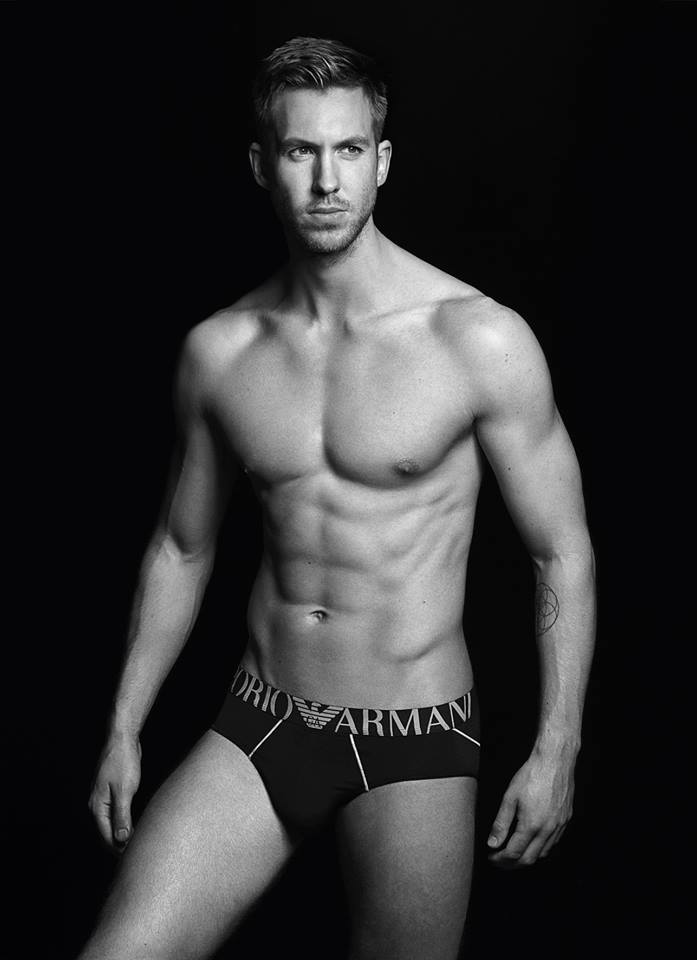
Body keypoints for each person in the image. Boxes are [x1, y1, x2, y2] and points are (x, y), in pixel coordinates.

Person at [80, 36, 596, 960]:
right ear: (261, 164)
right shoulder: (220, 352)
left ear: (381, 161)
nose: (327, 180)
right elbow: (180, 548)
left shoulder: (476, 339)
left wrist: (557, 748)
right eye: (300, 150)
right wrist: (124, 726)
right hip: (260, 718)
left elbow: (559, 550)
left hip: (416, 738)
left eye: (349, 149)